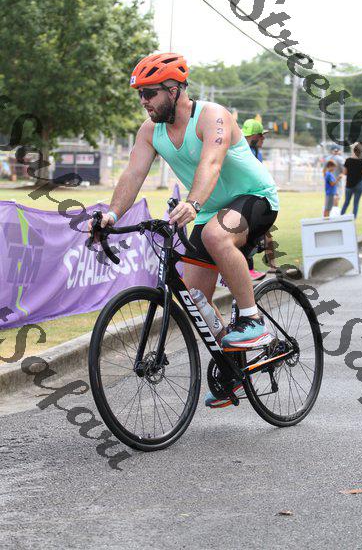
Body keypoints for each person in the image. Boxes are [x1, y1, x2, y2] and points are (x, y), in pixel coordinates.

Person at [91, 52, 279, 409]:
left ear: (174, 89)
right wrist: (112, 214)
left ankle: (252, 319)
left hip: (254, 198)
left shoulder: (212, 116)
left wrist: (192, 203)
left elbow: (212, 163)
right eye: (140, 94)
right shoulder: (151, 131)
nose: (143, 100)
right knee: (195, 299)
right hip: (210, 209)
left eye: (150, 92)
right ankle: (235, 368)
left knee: (214, 235)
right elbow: (133, 174)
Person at [242, 119, 278, 278]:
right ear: (253, 136)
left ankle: (273, 266)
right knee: (246, 234)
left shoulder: (257, 152)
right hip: (245, 199)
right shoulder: (244, 151)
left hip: (258, 197)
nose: (264, 139)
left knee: (267, 231)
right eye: (261, 136)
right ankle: (248, 269)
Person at [341, 142, 362, 218]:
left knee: (346, 202)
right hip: (359, 183)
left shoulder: (348, 160)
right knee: (356, 203)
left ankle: (341, 217)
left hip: (349, 183)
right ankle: (353, 219)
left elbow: (344, 172)